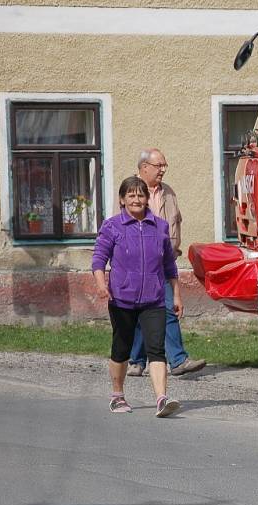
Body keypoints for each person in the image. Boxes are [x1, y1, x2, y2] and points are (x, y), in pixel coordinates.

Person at [93, 176, 182, 417]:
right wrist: (102, 285)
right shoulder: (112, 226)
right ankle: (117, 395)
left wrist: (176, 295)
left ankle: (161, 399)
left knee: (156, 349)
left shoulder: (160, 226)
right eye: (130, 195)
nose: (136, 199)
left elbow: (169, 266)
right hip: (122, 299)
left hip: (153, 298)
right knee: (121, 349)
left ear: (147, 199)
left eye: (140, 195)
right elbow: (99, 259)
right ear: (122, 200)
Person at [125, 148, 206, 377]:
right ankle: (136, 360)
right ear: (144, 168)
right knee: (140, 312)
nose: (163, 170)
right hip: (138, 264)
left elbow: (174, 224)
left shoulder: (168, 192)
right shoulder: (131, 190)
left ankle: (177, 360)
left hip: (164, 261)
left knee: (168, 308)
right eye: (158, 165)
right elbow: (118, 226)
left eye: (164, 165)